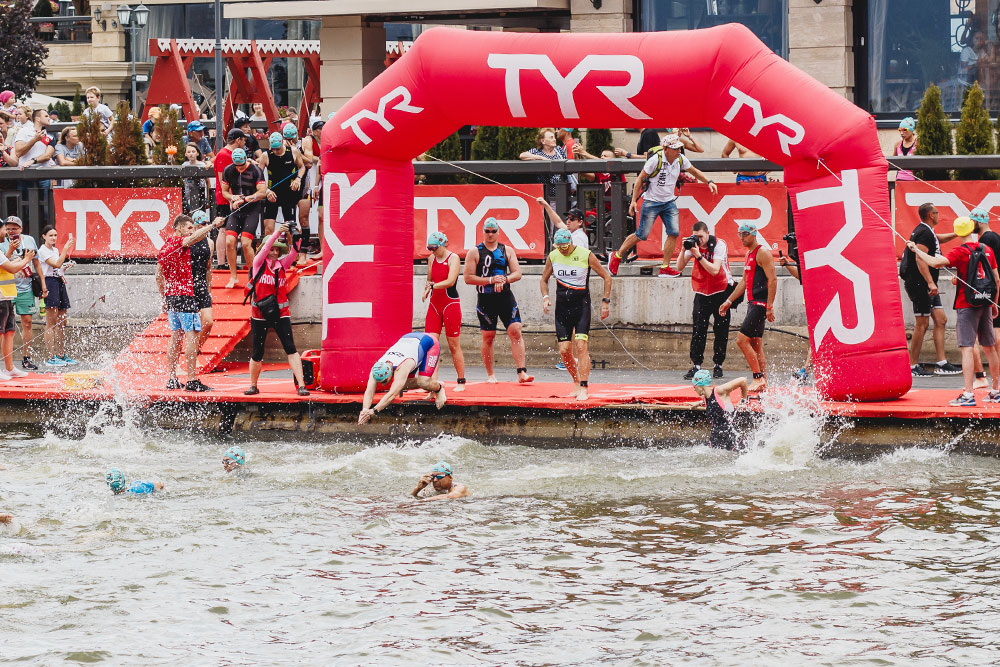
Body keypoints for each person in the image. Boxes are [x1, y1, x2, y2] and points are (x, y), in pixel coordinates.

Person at [908, 216, 1000, 407]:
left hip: (967, 304)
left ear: (958, 232)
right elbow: (996, 279)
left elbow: (936, 262)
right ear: (972, 230)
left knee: (967, 347)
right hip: (985, 302)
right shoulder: (987, 249)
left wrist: (916, 249)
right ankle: (996, 391)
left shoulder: (960, 251)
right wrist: (993, 303)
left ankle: (968, 394)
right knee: (990, 348)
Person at [608, 134, 718, 277]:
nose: (678, 151)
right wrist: (634, 201)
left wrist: (708, 181)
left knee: (673, 233)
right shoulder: (655, 160)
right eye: (675, 148)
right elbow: (641, 178)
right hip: (651, 202)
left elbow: (694, 171)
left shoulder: (680, 159)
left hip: (668, 202)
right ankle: (617, 256)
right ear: (665, 149)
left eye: (679, 148)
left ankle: (665, 267)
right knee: (641, 234)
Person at [540, 228, 612, 400]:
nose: (562, 250)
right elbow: (544, 279)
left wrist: (605, 302)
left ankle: (585, 387)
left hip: (581, 306)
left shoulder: (585, 254)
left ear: (571, 243)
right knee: (564, 350)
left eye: (565, 246)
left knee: (581, 345)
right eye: (559, 247)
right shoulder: (553, 256)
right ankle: (576, 382)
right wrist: (545, 297)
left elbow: (606, 277)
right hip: (562, 308)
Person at [156, 213, 226, 392]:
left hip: (172, 297)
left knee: (176, 335)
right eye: (188, 227)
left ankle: (172, 378)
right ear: (179, 228)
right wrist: (212, 226)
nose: (191, 231)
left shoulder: (164, 247)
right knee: (192, 335)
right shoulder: (180, 242)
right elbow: (193, 238)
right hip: (185, 295)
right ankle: (192, 379)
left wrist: (164, 297)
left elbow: (158, 276)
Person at [463, 217, 533, 384]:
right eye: (487, 231)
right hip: (486, 299)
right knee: (488, 336)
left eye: (494, 231)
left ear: (498, 232)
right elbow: (468, 277)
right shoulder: (475, 252)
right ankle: (490, 374)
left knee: (515, 330)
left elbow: (517, 273)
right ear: (483, 232)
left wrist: (505, 279)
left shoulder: (507, 250)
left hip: (505, 297)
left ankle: (521, 372)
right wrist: (490, 280)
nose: (490, 234)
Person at [243, 224, 309, 397]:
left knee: (291, 348)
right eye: (271, 250)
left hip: (281, 313)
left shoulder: (282, 264)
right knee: (257, 351)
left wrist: (295, 235)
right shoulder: (258, 263)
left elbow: (295, 251)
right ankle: (253, 385)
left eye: (276, 250)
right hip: (259, 314)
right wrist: (276, 233)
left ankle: (301, 385)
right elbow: (263, 249)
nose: (273, 252)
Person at [900, 202, 961, 376]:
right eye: (937, 212)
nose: (939, 214)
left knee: (941, 320)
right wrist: (930, 283)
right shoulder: (924, 232)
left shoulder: (926, 231)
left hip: (927, 284)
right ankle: (913, 366)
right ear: (931, 215)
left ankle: (941, 363)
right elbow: (920, 259)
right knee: (922, 323)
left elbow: (938, 239)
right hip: (920, 285)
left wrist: (957, 234)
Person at [719, 222, 777, 394]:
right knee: (756, 344)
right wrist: (728, 301)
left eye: (745, 234)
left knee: (741, 340)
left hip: (760, 304)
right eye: (739, 234)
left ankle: (757, 377)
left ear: (754, 233)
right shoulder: (749, 254)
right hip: (753, 303)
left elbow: (773, 280)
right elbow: (744, 282)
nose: (742, 238)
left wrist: (769, 306)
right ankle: (764, 381)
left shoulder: (763, 253)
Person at [675, 221, 736, 380]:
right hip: (702, 291)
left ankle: (718, 365)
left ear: (708, 233)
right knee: (698, 329)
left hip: (721, 290)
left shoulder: (718, 245)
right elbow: (679, 267)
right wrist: (683, 250)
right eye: (695, 236)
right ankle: (696, 365)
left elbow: (715, 270)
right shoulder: (693, 246)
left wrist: (698, 255)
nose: (699, 240)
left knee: (721, 329)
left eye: (701, 236)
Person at [358, 333, 447, 424]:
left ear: (391, 372)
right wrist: (364, 410)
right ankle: (432, 384)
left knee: (423, 381)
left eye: (384, 380)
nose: (383, 384)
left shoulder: (401, 369)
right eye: (379, 382)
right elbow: (369, 391)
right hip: (409, 341)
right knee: (405, 384)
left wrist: (374, 411)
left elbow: (391, 395)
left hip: (428, 342)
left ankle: (439, 388)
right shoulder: (376, 368)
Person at [422, 231, 466, 391]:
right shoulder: (431, 258)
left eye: (434, 248)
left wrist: (434, 286)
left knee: (454, 345)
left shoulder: (453, 258)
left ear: (443, 244)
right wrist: (427, 289)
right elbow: (429, 279)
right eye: (429, 248)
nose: (432, 251)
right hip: (435, 305)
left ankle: (461, 381)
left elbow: (450, 281)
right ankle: (431, 382)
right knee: (431, 345)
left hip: (450, 305)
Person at [221, 147, 268, 288]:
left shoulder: (255, 170)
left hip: (252, 208)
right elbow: (224, 192)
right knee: (229, 241)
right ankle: (233, 276)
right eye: (237, 166)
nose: (240, 169)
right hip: (237, 208)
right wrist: (232, 197)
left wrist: (246, 199)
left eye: (242, 166)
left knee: (246, 243)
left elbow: (262, 192)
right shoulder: (228, 170)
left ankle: (253, 276)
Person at [5, 216, 46, 370]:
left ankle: (26, 358)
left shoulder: (29, 240)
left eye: (14, 228)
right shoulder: (2, 241)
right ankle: (6, 361)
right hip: (6, 289)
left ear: (21, 229)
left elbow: (37, 263)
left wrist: (43, 285)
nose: (11, 231)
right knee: (4, 327)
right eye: (8, 228)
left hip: (25, 287)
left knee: (27, 323)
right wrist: (10, 249)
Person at [0, 226, 35, 381]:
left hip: (6, 296)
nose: (6, 233)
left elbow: (5, 265)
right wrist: (26, 259)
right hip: (1, 296)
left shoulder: (1, 251)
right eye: (3, 229)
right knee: (1, 333)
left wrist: (10, 253)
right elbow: (11, 268)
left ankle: (9, 369)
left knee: (9, 332)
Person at [37, 226, 73, 368]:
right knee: (51, 322)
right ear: (44, 236)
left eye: (55, 235)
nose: (53, 238)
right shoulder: (42, 251)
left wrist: (65, 266)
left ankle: (61, 354)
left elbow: (58, 266)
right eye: (51, 235)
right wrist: (65, 249)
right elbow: (55, 263)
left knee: (61, 321)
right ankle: (51, 356)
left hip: (58, 280)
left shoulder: (55, 250)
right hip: (50, 283)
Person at [258, 131, 306, 239]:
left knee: (290, 229)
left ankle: (292, 254)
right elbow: (258, 177)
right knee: (268, 229)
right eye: (273, 149)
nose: (275, 151)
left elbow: (302, 167)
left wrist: (298, 179)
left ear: (282, 144)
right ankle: (268, 253)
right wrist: (266, 191)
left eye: (278, 149)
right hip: (272, 194)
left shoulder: (293, 151)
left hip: (288, 193)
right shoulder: (266, 155)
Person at [690, 369, 748, 452]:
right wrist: (699, 402)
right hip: (716, 436)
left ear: (699, 385)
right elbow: (711, 401)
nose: (694, 389)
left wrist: (743, 401)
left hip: (731, 435)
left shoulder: (720, 391)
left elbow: (743, 380)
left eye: (694, 386)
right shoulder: (706, 397)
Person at [519, 128, 567, 204]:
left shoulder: (558, 150)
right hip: (546, 195)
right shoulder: (537, 152)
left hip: (562, 193)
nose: (554, 139)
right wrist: (541, 158)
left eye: (554, 137)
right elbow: (522, 155)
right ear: (543, 141)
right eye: (551, 137)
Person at [189, 211, 214, 352]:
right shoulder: (188, 241)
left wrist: (209, 290)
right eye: (201, 225)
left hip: (201, 284)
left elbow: (209, 268)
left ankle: (195, 350)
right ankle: (190, 354)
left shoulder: (209, 242)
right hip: (188, 285)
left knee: (208, 322)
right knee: (190, 326)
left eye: (206, 224)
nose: (204, 227)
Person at [182, 142, 210, 214]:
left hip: (201, 194)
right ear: (185, 154)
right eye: (188, 152)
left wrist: (208, 197)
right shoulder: (184, 165)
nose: (191, 154)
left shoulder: (202, 165)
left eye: (193, 151)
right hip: (188, 195)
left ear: (197, 153)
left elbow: (207, 181)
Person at [893, 118, 917, 182]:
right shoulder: (898, 144)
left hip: (914, 180)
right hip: (900, 180)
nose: (901, 133)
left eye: (904, 130)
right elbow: (892, 162)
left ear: (912, 130)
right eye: (899, 130)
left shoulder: (918, 144)